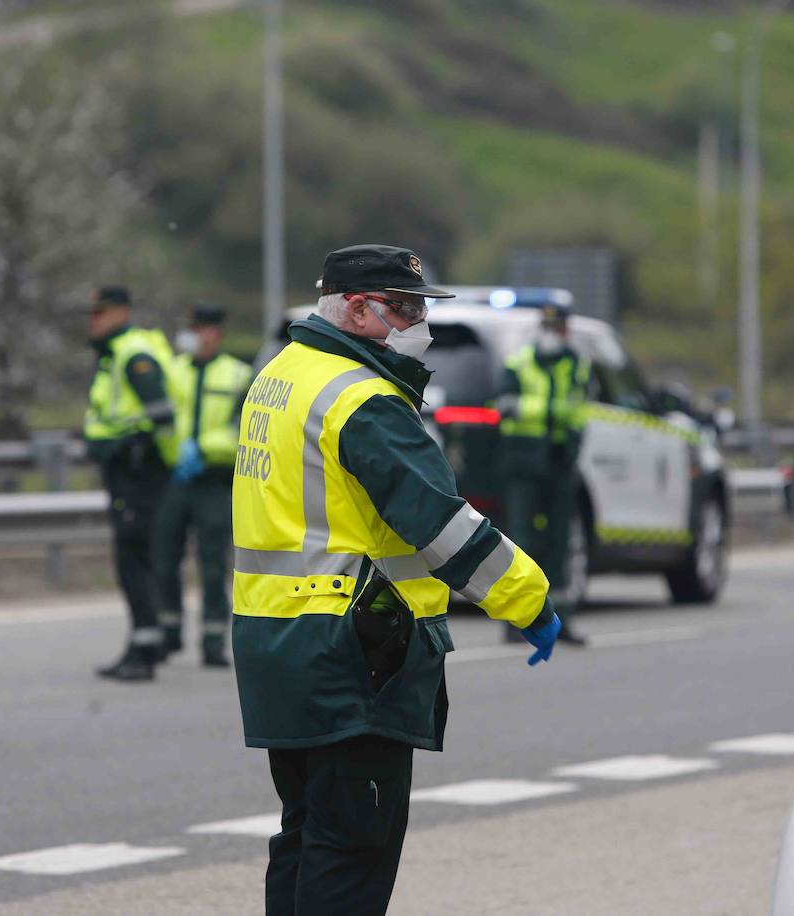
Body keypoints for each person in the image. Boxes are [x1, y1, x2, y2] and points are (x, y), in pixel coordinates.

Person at [232, 244, 561, 915]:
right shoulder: (363, 400)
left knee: (305, 838)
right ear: (357, 308)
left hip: (277, 649)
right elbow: (441, 524)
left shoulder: (282, 375)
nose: (420, 326)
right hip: (352, 655)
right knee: (351, 854)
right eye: (404, 309)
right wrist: (530, 600)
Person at [82, 286, 178, 682]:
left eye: (100, 312)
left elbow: (162, 415)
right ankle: (148, 643)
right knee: (140, 558)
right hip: (135, 472)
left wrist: (143, 451)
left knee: (133, 561)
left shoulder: (133, 354)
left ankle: (143, 651)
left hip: (138, 473)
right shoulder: (119, 353)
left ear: (121, 312)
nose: (94, 320)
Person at [153, 304, 252, 668]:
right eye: (191, 327)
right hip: (175, 479)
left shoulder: (238, 375)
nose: (194, 334)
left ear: (216, 333)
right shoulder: (172, 371)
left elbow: (241, 429)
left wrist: (205, 449)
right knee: (164, 558)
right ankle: (169, 632)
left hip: (213, 480)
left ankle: (212, 640)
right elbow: (160, 421)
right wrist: (173, 453)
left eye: (201, 328)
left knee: (212, 564)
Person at [496, 302, 592, 646]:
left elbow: (581, 409)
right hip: (524, 463)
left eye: (560, 329)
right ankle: (516, 621)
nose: (556, 336)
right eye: (550, 329)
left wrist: (573, 438)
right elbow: (504, 405)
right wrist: (550, 410)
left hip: (560, 462)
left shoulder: (577, 365)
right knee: (521, 542)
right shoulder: (519, 363)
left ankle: (560, 620)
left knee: (560, 543)